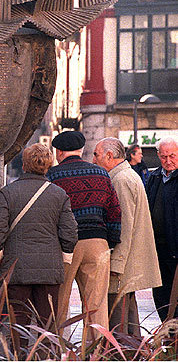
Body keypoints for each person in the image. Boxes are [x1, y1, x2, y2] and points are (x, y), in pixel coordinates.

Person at [0, 143, 78, 347]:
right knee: (47, 324)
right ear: (48, 165)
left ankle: (19, 356)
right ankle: (44, 356)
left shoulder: (8, 192)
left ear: (24, 164)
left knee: (18, 323)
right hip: (49, 268)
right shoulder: (59, 194)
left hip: (16, 267)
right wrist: (65, 258)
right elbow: (70, 231)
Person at [47, 131, 121, 339]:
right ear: (81, 150)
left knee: (59, 300)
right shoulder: (101, 174)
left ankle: (59, 347)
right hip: (97, 242)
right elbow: (114, 211)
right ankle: (96, 351)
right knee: (96, 303)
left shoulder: (53, 176)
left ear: (59, 152)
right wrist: (111, 241)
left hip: (65, 245)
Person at [93, 137, 161, 335]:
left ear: (109, 155)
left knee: (119, 323)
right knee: (128, 321)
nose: (94, 159)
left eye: (96, 154)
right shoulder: (124, 176)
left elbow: (124, 227)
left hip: (123, 266)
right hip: (128, 264)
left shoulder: (121, 180)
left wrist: (116, 265)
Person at [146, 136, 178, 321]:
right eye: (164, 157)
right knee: (160, 296)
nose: (168, 161)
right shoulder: (155, 177)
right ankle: (167, 335)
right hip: (158, 249)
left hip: (175, 248)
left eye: (172, 156)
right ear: (158, 156)